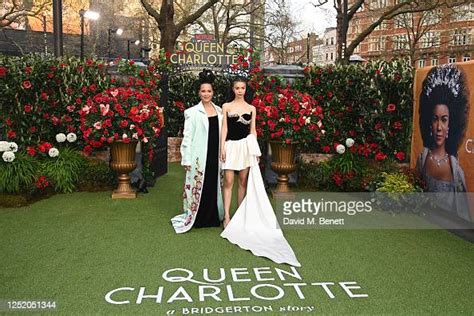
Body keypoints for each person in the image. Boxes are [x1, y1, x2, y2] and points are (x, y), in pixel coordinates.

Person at [220, 77, 300, 267]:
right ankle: (227, 217)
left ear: (246, 89)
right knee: (228, 181)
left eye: (243, 88)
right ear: (233, 89)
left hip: (246, 148)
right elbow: (224, 128)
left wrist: (255, 150)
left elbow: (253, 130)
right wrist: (222, 147)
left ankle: (240, 217)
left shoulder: (251, 108)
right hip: (230, 147)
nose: (240, 90)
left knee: (243, 182)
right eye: (237, 87)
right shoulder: (226, 106)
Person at [171, 70, 224, 233]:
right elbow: (187, 138)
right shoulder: (192, 112)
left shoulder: (221, 111)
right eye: (203, 91)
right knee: (198, 185)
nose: (206, 94)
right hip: (199, 157)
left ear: (213, 92)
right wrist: (186, 159)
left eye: (209, 91)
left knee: (214, 185)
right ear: (199, 93)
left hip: (216, 156)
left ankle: (214, 216)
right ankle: (197, 217)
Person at [416, 64, 470, 221]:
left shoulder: (457, 171)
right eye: (435, 119)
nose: (439, 127)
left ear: (450, 124)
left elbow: (463, 212)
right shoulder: (422, 158)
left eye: (444, 120)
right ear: (429, 123)